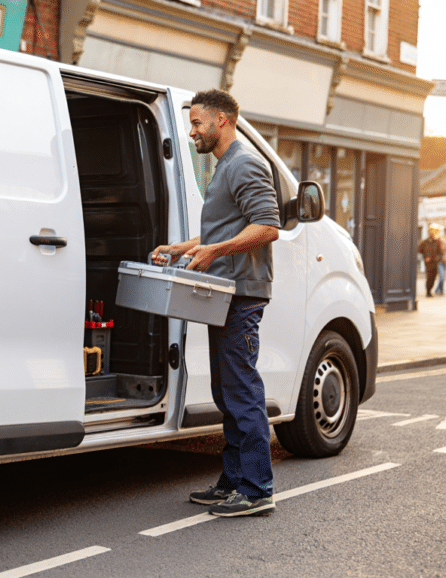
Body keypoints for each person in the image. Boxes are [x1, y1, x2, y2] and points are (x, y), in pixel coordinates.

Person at [151, 89, 280, 517]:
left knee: (241, 391)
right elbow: (223, 231)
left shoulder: (244, 163)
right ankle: (234, 481)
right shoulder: (224, 165)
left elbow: (267, 227)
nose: (192, 132)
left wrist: (214, 253)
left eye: (196, 123)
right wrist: (181, 248)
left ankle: (258, 488)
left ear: (222, 120)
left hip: (242, 295)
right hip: (224, 293)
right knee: (226, 392)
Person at [418, 224, 444, 297]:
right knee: (429, 277)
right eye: (430, 232)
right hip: (428, 263)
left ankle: (430, 289)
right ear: (429, 233)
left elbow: (440, 253)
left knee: (433, 277)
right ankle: (428, 291)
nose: (432, 233)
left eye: (433, 232)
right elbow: (419, 252)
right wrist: (424, 258)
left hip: (435, 263)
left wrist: (436, 259)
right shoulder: (424, 242)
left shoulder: (437, 242)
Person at [434, 230, 446, 296]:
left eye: (444, 243)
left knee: (442, 277)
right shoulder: (438, 249)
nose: (443, 244)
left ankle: (440, 290)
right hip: (439, 263)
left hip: (444, 263)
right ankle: (439, 290)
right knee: (442, 276)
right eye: (442, 243)